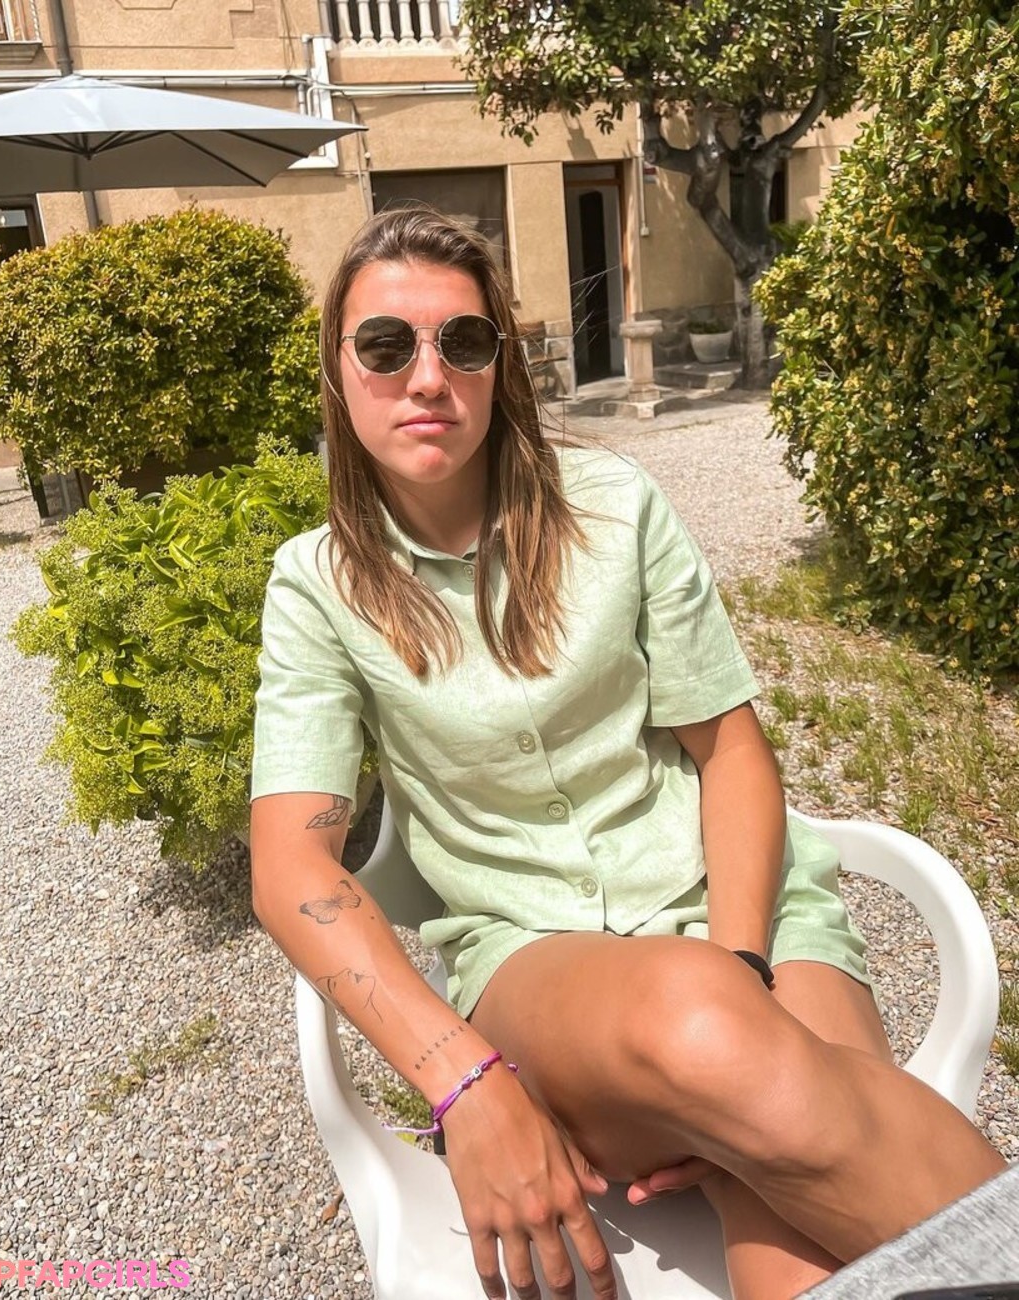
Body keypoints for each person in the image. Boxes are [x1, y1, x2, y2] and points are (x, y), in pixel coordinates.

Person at [249, 207, 1005, 1300]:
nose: (429, 376)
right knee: (705, 1025)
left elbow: (730, 750)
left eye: (465, 341)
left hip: (749, 914)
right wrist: (467, 1084)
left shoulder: (612, 506)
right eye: (385, 344)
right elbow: (291, 867)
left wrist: (742, 968)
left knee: (795, 1250)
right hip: (537, 961)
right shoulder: (316, 588)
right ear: (337, 369)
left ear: (502, 367)